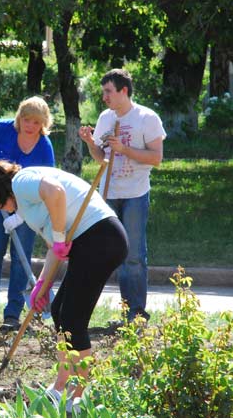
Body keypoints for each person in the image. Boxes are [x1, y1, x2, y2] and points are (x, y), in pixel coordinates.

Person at [0, 160, 128, 411]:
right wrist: (42, 285)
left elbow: (55, 191)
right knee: (60, 313)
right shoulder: (26, 205)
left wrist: (59, 237)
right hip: (90, 241)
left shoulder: (21, 182)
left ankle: (80, 395)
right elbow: (56, 248)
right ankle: (62, 384)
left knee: (73, 319)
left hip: (101, 238)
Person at [79, 68, 166, 322]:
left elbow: (156, 158)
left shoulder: (146, 118)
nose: (104, 97)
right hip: (108, 193)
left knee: (133, 255)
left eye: (108, 91)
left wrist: (125, 149)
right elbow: (101, 157)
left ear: (124, 91)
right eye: (103, 92)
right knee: (109, 252)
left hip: (135, 194)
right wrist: (90, 143)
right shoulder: (105, 118)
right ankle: (117, 312)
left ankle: (136, 314)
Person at [0, 96, 55, 330]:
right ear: (19, 117)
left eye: (36, 122)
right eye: (26, 120)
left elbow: (47, 184)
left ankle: (13, 314)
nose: (30, 126)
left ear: (43, 123)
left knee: (21, 258)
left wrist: (21, 215)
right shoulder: (3, 128)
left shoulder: (44, 147)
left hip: (26, 207)